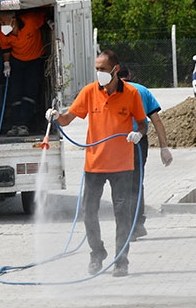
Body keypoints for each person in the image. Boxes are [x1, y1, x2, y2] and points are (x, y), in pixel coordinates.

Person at [45, 50, 147, 277]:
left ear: (115, 69)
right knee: (88, 212)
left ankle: (121, 261)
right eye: (97, 69)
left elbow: (142, 124)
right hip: (95, 164)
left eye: (103, 69)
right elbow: (68, 119)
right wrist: (55, 116)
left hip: (122, 165)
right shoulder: (90, 92)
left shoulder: (131, 93)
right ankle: (97, 252)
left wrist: (137, 134)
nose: (99, 73)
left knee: (123, 214)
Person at [117, 65, 173, 241]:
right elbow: (156, 120)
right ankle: (137, 224)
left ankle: (129, 227)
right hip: (139, 142)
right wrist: (164, 147)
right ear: (129, 75)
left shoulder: (110, 92)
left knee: (121, 185)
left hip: (117, 143)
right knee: (135, 182)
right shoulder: (142, 90)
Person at [0, 10, 47, 136]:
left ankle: (24, 124)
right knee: (15, 92)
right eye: (0, 22)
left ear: (13, 20)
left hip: (35, 61)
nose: (1, 25)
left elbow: (44, 15)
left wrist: (51, 23)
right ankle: (15, 124)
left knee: (30, 92)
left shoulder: (29, 21)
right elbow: (6, 49)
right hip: (17, 61)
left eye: (4, 22)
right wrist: (6, 64)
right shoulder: (2, 33)